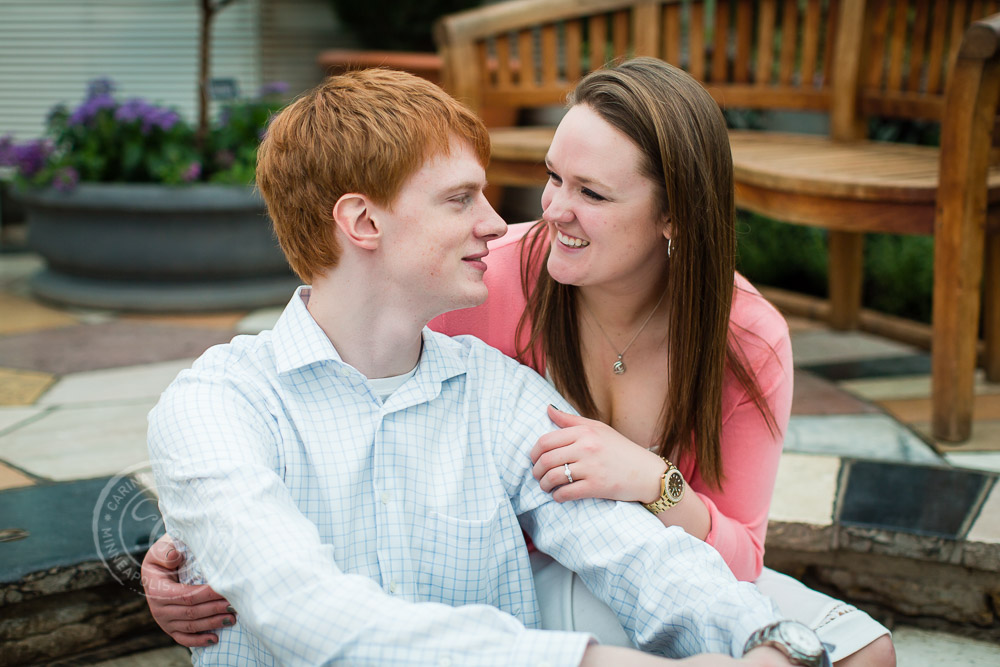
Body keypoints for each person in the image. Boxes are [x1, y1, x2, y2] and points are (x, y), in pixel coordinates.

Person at [145, 66, 823, 666]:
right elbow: (306, 613)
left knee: (862, 650)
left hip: (597, 587)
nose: (505, 225)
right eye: (460, 198)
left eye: (591, 191)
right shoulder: (216, 405)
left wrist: (767, 638)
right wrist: (196, 536)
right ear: (363, 223)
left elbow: (636, 552)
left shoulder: (498, 392)